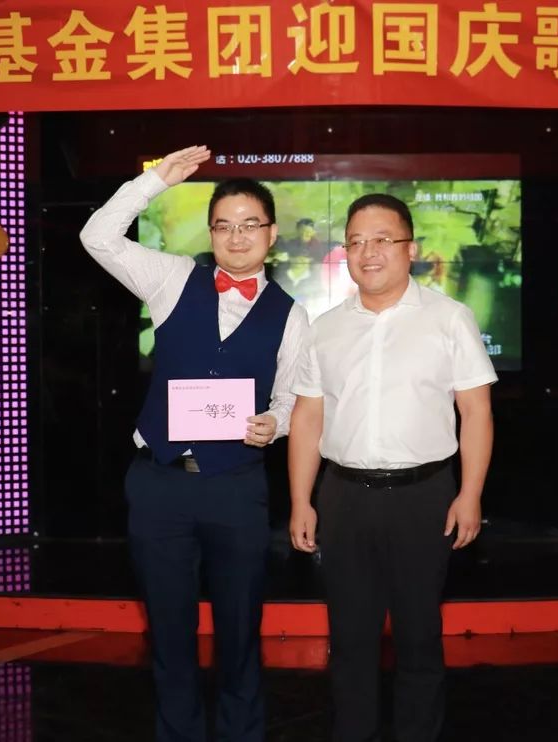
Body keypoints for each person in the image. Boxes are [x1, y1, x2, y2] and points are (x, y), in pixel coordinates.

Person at [80, 145, 308, 742]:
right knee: (169, 634)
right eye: (224, 225)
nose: (237, 236)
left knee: (240, 631)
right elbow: (96, 237)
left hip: (236, 488)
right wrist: (153, 181)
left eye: (250, 224)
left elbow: (292, 397)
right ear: (211, 233)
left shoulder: (292, 314)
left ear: (271, 233)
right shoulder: (174, 278)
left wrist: (275, 423)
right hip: (160, 484)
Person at [287, 193, 496, 742]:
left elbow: (475, 411)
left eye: (381, 239)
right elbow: (308, 417)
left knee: (419, 637)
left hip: (424, 497)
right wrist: (301, 500)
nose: (367, 252)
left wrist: (470, 493)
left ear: (411, 249)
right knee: (349, 639)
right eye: (355, 242)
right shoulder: (325, 327)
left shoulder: (449, 319)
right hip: (343, 496)